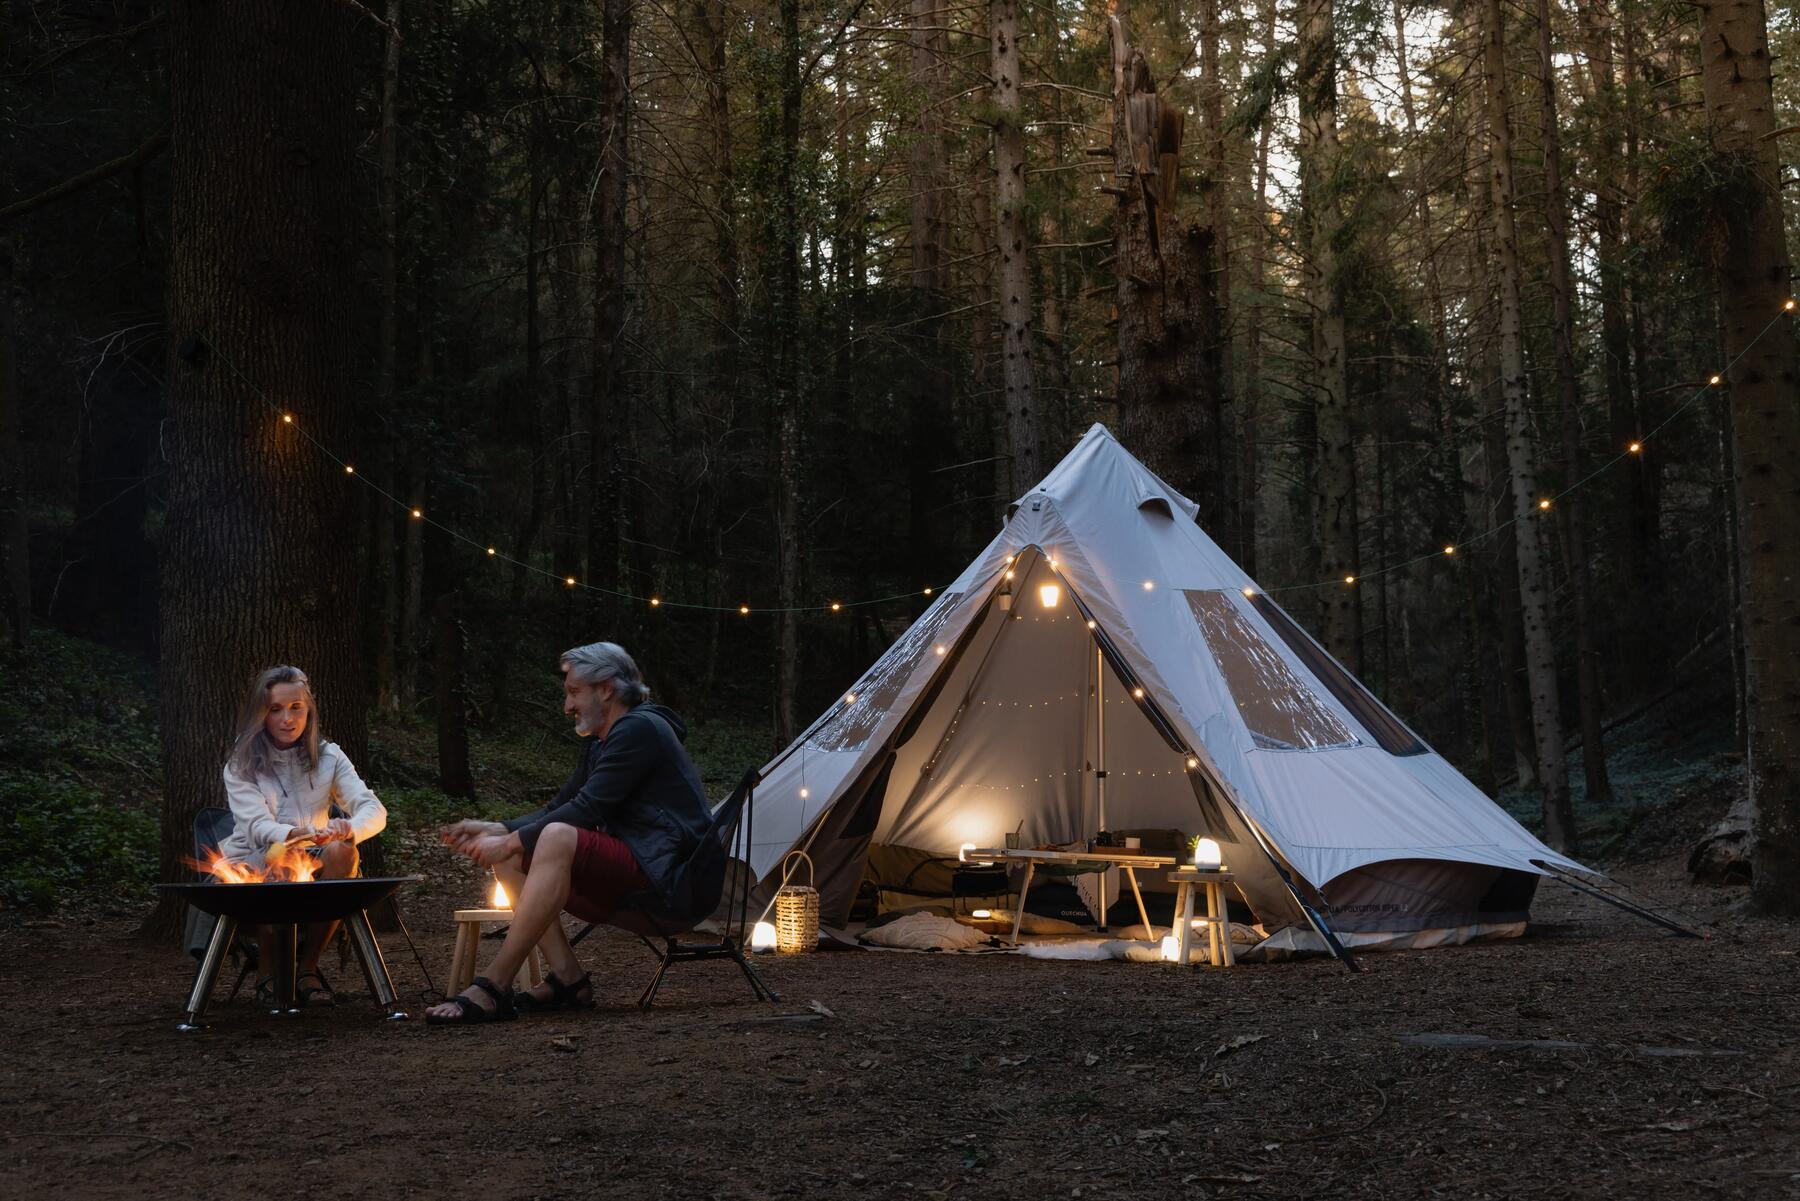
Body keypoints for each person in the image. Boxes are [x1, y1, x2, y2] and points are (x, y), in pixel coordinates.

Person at [428, 641, 712, 1023]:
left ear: (607, 688)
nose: (567, 706)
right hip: (643, 868)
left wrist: (510, 840)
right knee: (522, 850)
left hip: (674, 879)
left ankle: (494, 985)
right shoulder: (602, 741)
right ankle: (569, 980)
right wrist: (495, 829)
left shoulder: (640, 729)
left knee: (557, 836)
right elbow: (559, 805)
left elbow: (587, 809)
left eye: (575, 692)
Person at [219, 665, 387, 1005]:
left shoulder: (329, 755)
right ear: (261, 714)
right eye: (275, 709)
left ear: (308, 708)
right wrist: (300, 833)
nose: (287, 719)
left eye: (296, 707)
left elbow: (375, 810)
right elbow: (257, 827)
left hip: (314, 855)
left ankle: (307, 968)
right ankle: (269, 972)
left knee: (344, 852)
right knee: (285, 854)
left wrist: (348, 829)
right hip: (252, 860)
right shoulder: (241, 761)